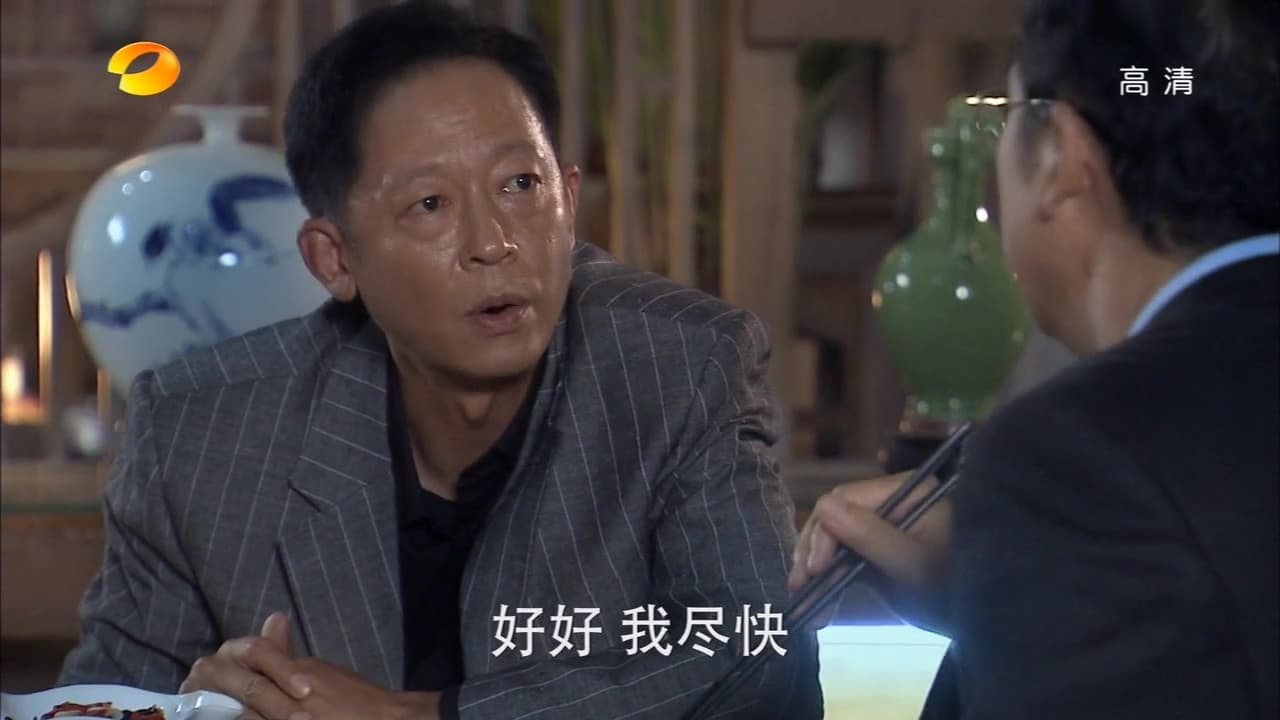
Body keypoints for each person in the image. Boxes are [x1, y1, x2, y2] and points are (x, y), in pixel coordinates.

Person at [59, 3, 822, 719]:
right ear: (333, 258)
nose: (494, 242)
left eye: (521, 185)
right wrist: (195, 711)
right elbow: (98, 702)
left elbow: (757, 658)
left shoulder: (683, 366)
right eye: (430, 204)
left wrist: (419, 715)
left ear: (568, 201)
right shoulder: (200, 435)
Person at [790, 0, 1279, 717]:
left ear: (1060, 157)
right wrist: (1007, 597)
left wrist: (1018, 580)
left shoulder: (1073, 456)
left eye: (1007, 115)